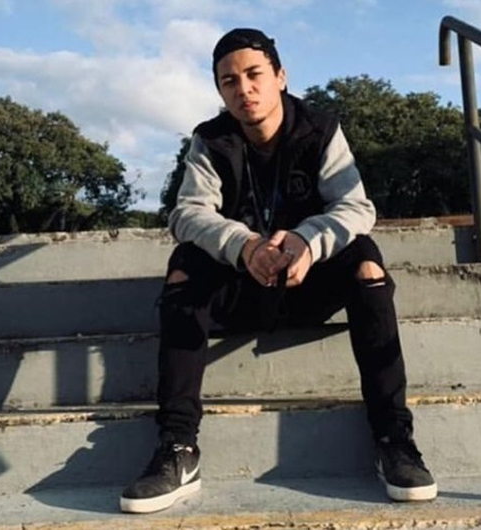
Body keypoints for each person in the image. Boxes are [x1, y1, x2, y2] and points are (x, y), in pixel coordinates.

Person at [120, 28, 436, 514]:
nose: (243, 89)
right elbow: (186, 214)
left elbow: (355, 207)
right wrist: (244, 245)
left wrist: (307, 241)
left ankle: (394, 438)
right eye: (229, 81)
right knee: (185, 266)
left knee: (366, 260)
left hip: (308, 283)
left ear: (281, 76)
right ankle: (177, 447)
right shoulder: (211, 140)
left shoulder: (320, 129)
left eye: (254, 75)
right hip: (241, 289)